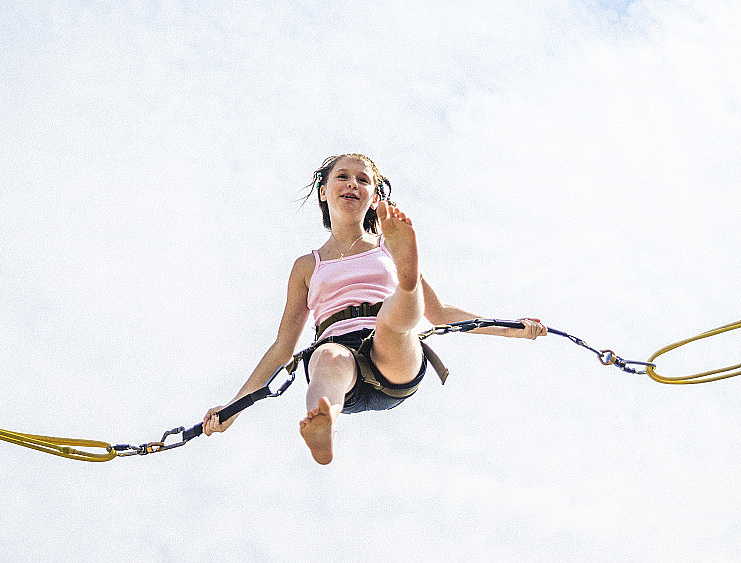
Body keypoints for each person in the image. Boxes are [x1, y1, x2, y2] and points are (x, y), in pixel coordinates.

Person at [203, 153, 547, 465]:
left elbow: (440, 313)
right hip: (340, 356)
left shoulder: (386, 245)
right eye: (343, 176)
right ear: (324, 191)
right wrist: (235, 407)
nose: (353, 183)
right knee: (328, 358)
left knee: (391, 324)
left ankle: (408, 281)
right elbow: (283, 347)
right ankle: (324, 425)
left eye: (363, 179)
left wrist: (510, 327)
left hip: (393, 353)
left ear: (375, 198)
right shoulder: (307, 266)